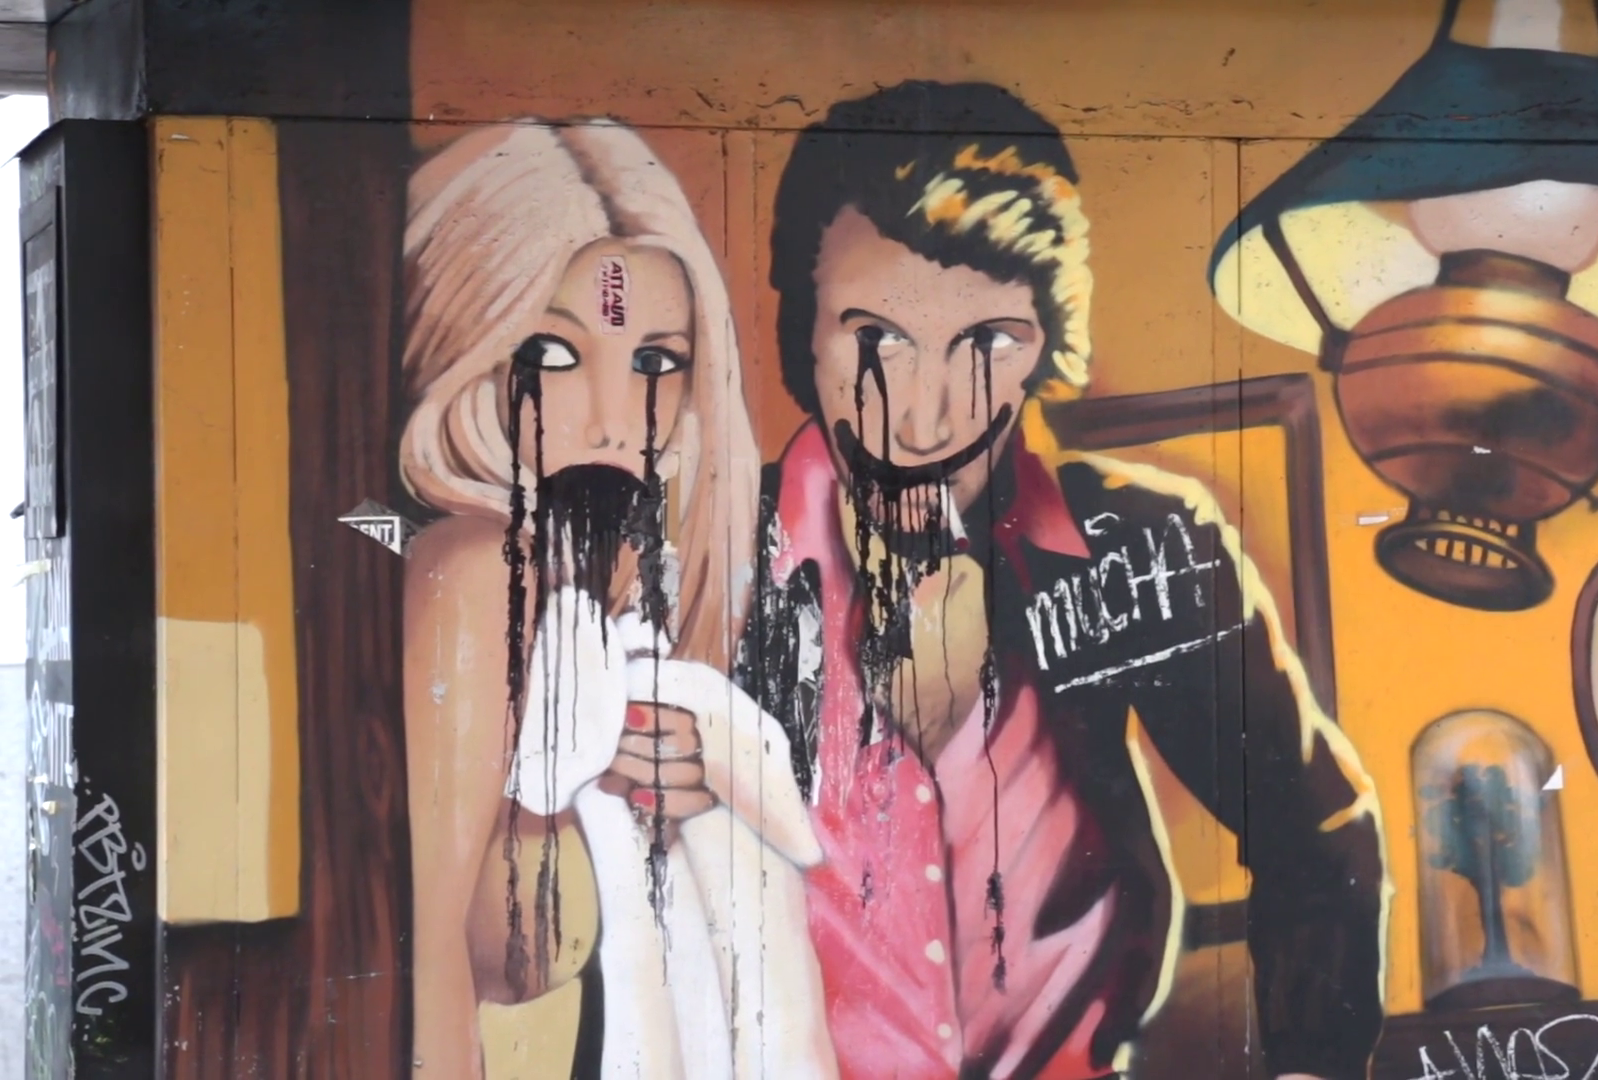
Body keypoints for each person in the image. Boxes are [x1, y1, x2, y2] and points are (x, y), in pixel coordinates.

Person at [649, 81, 1389, 1080]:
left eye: (989, 343)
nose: (925, 418)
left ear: (1046, 344)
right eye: (876, 340)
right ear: (802, 334)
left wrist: (1311, 1065)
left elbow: (1319, 833)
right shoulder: (700, 564)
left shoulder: (1143, 550)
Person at [397, 121, 775, 1078]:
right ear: (467, 340)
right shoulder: (476, 570)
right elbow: (433, 958)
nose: (613, 421)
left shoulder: (602, 590)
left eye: (655, 363)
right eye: (552, 353)